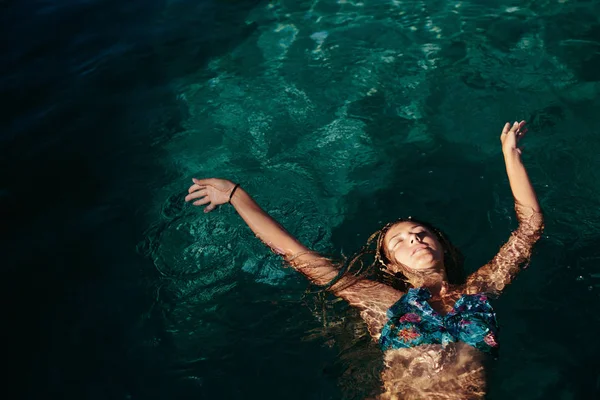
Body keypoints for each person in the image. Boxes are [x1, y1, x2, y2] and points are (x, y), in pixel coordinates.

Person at [184, 121, 544, 400]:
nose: (415, 238)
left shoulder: (479, 292)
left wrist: (510, 155)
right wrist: (236, 195)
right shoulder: (383, 301)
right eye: (399, 241)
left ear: (441, 245)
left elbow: (529, 229)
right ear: (390, 263)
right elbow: (299, 257)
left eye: (420, 232)